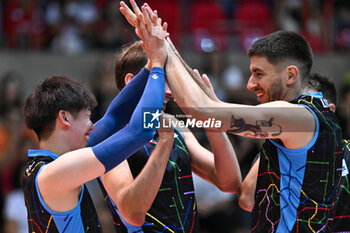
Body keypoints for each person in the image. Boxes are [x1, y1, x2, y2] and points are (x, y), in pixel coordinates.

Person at [119, 3, 343, 232]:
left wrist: (161, 47)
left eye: (259, 74)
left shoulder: (298, 116)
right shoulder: (307, 120)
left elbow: (202, 112)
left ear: (290, 75)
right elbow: (246, 196)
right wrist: (165, 45)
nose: (250, 84)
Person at [22, 15, 167, 233]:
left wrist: (148, 62)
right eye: (88, 117)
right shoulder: (56, 172)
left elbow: (114, 118)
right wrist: (158, 66)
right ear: (65, 118)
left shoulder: (49, 165)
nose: (93, 126)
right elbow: (141, 131)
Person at [99, 40, 241, 233]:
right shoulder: (110, 135)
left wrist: (210, 117)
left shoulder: (175, 125)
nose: (169, 91)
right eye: (161, 79)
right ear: (132, 81)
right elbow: (131, 211)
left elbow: (229, 182)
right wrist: (165, 144)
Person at [238, 72, 340, 213]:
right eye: (292, 106)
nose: (294, 116)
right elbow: (247, 200)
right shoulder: (275, 152)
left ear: (330, 110)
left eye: (304, 109)